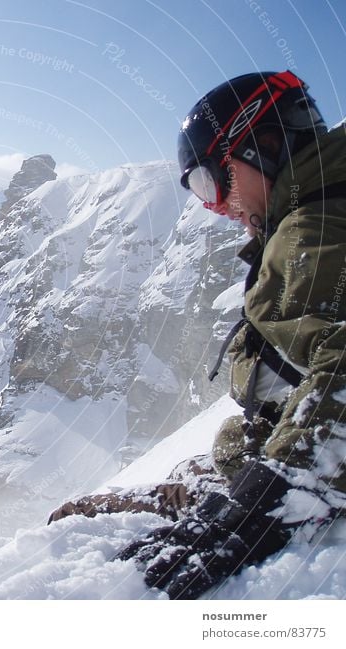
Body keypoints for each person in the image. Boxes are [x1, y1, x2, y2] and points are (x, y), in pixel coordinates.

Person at [49, 70, 346, 599]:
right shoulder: (315, 210)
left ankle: (163, 495)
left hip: (297, 466)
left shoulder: (315, 230)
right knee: (216, 453)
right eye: (199, 193)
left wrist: (275, 494)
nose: (217, 208)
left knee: (218, 465)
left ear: (261, 144)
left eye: (212, 182)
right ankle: (171, 489)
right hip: (266, 443)